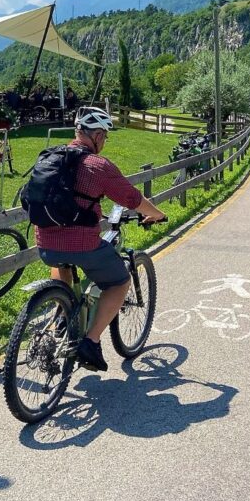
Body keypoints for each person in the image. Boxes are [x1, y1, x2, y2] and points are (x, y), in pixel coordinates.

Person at [35, 106, 166, 372]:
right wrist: (158, 214)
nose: (104, 141)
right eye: (104, 136)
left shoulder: (51, 156)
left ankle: (63, 313)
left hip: (45, 243)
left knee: (63, 263)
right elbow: (131, 199)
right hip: (82, 245)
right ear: (95, 135)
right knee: (119, 281)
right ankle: (90, 342)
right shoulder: (97, 166)